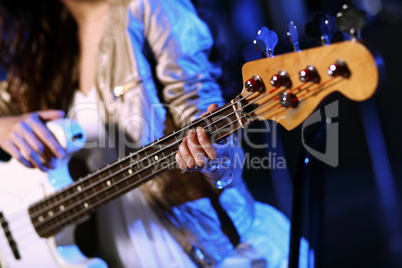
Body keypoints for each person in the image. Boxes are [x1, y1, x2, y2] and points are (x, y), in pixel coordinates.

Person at [0, 0, 292, 267]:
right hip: (116, 255)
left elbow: (201, 112)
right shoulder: (40, 47)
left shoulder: (148, 7)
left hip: (195, 251)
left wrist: (212, 156)